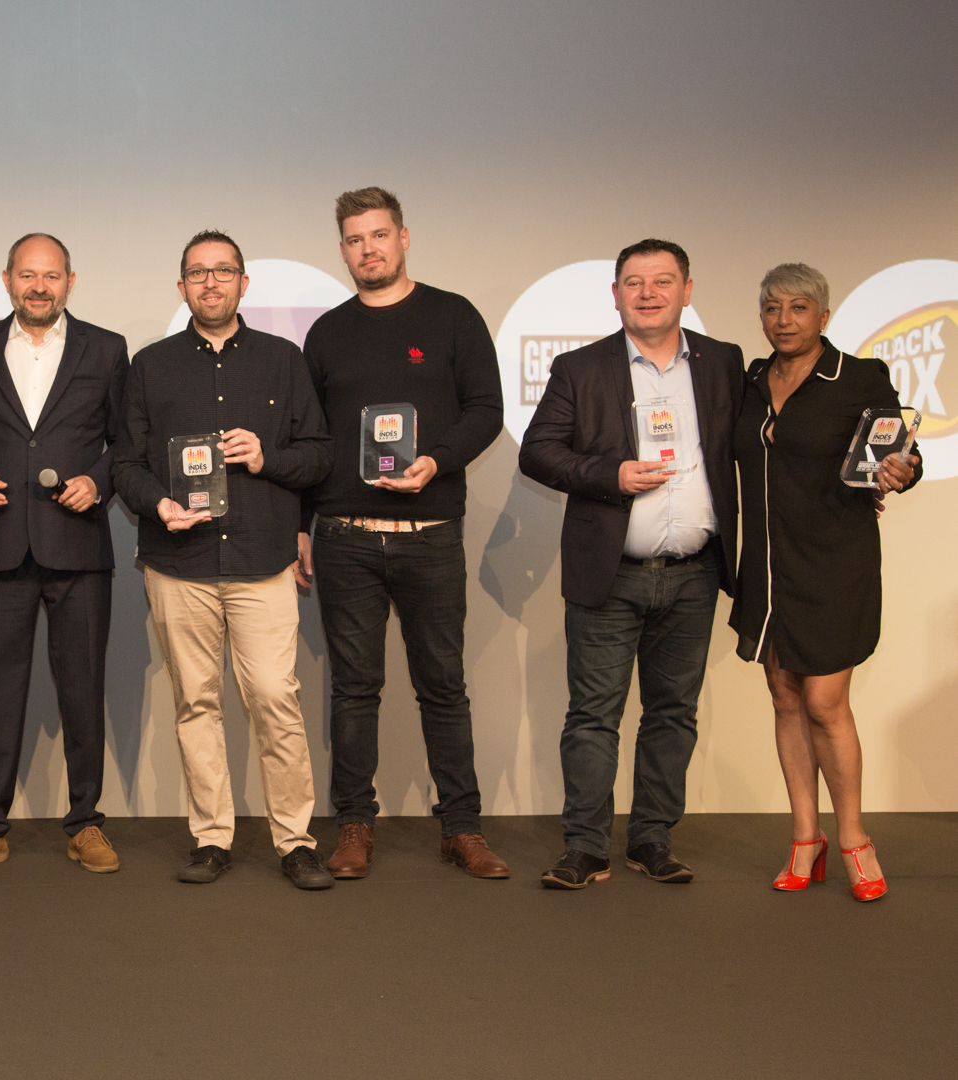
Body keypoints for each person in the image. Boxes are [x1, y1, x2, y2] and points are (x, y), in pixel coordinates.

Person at [296, 186, 508, 880]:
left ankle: (463, 829)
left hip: (431, 531)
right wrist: (303, 527)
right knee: (355, 690)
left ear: (404, 237)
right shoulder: (327, 332)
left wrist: (436, 462)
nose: (369, 250)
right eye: (355, 240)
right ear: (343, 250)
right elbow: (312, 440)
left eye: (379, 236)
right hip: (346, 535)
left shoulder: (452, 316)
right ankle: (354, 826)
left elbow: (486, 409)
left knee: (443, 685)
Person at [113, 230, 335, 890]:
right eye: (198, 273)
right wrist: (159, 505)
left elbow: (319, 455)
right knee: (195, 704)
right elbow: (124, 464)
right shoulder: (150, 367)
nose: (211, 283)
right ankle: (211, 838)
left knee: (274, 699)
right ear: (181, 287)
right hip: (177, 562)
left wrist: (267, 457)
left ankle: (294, 839)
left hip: (261, 560)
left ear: (244, 282)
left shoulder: (283, 361)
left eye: (224, 271)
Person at [519, 239, 744, 890]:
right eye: (634, 282)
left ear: (687, 290)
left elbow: (767, 442)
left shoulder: (723, 364)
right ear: (615, 294)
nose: (648, 293)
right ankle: (586, 848)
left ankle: (652, 840)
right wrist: (609, 474)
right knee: (593, 715)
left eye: (662, 281)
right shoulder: (581, 368)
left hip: (696, 572)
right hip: (609, 570)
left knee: (673, 713)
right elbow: (539, 454)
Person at [731, 263, 919, 902]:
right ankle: (804, 840)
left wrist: (901, 471)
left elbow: (897, 452)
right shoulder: (751, 380)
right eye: (772, 308)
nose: (784, 320)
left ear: (824, 316)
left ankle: (855, 839)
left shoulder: (859, 378)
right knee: (785, 699)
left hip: (836, 564)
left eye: (798, 308)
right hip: (767, 565)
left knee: (824, 703)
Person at [0, 234, 129, 876]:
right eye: (29, 275)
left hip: (78, 545)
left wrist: (99, 482)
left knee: (83, 689)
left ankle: (85, 823)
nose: (40, 286)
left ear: (70, 282)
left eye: (51, 276)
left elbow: (126, 440)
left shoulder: (106, 349)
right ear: (7, 280)